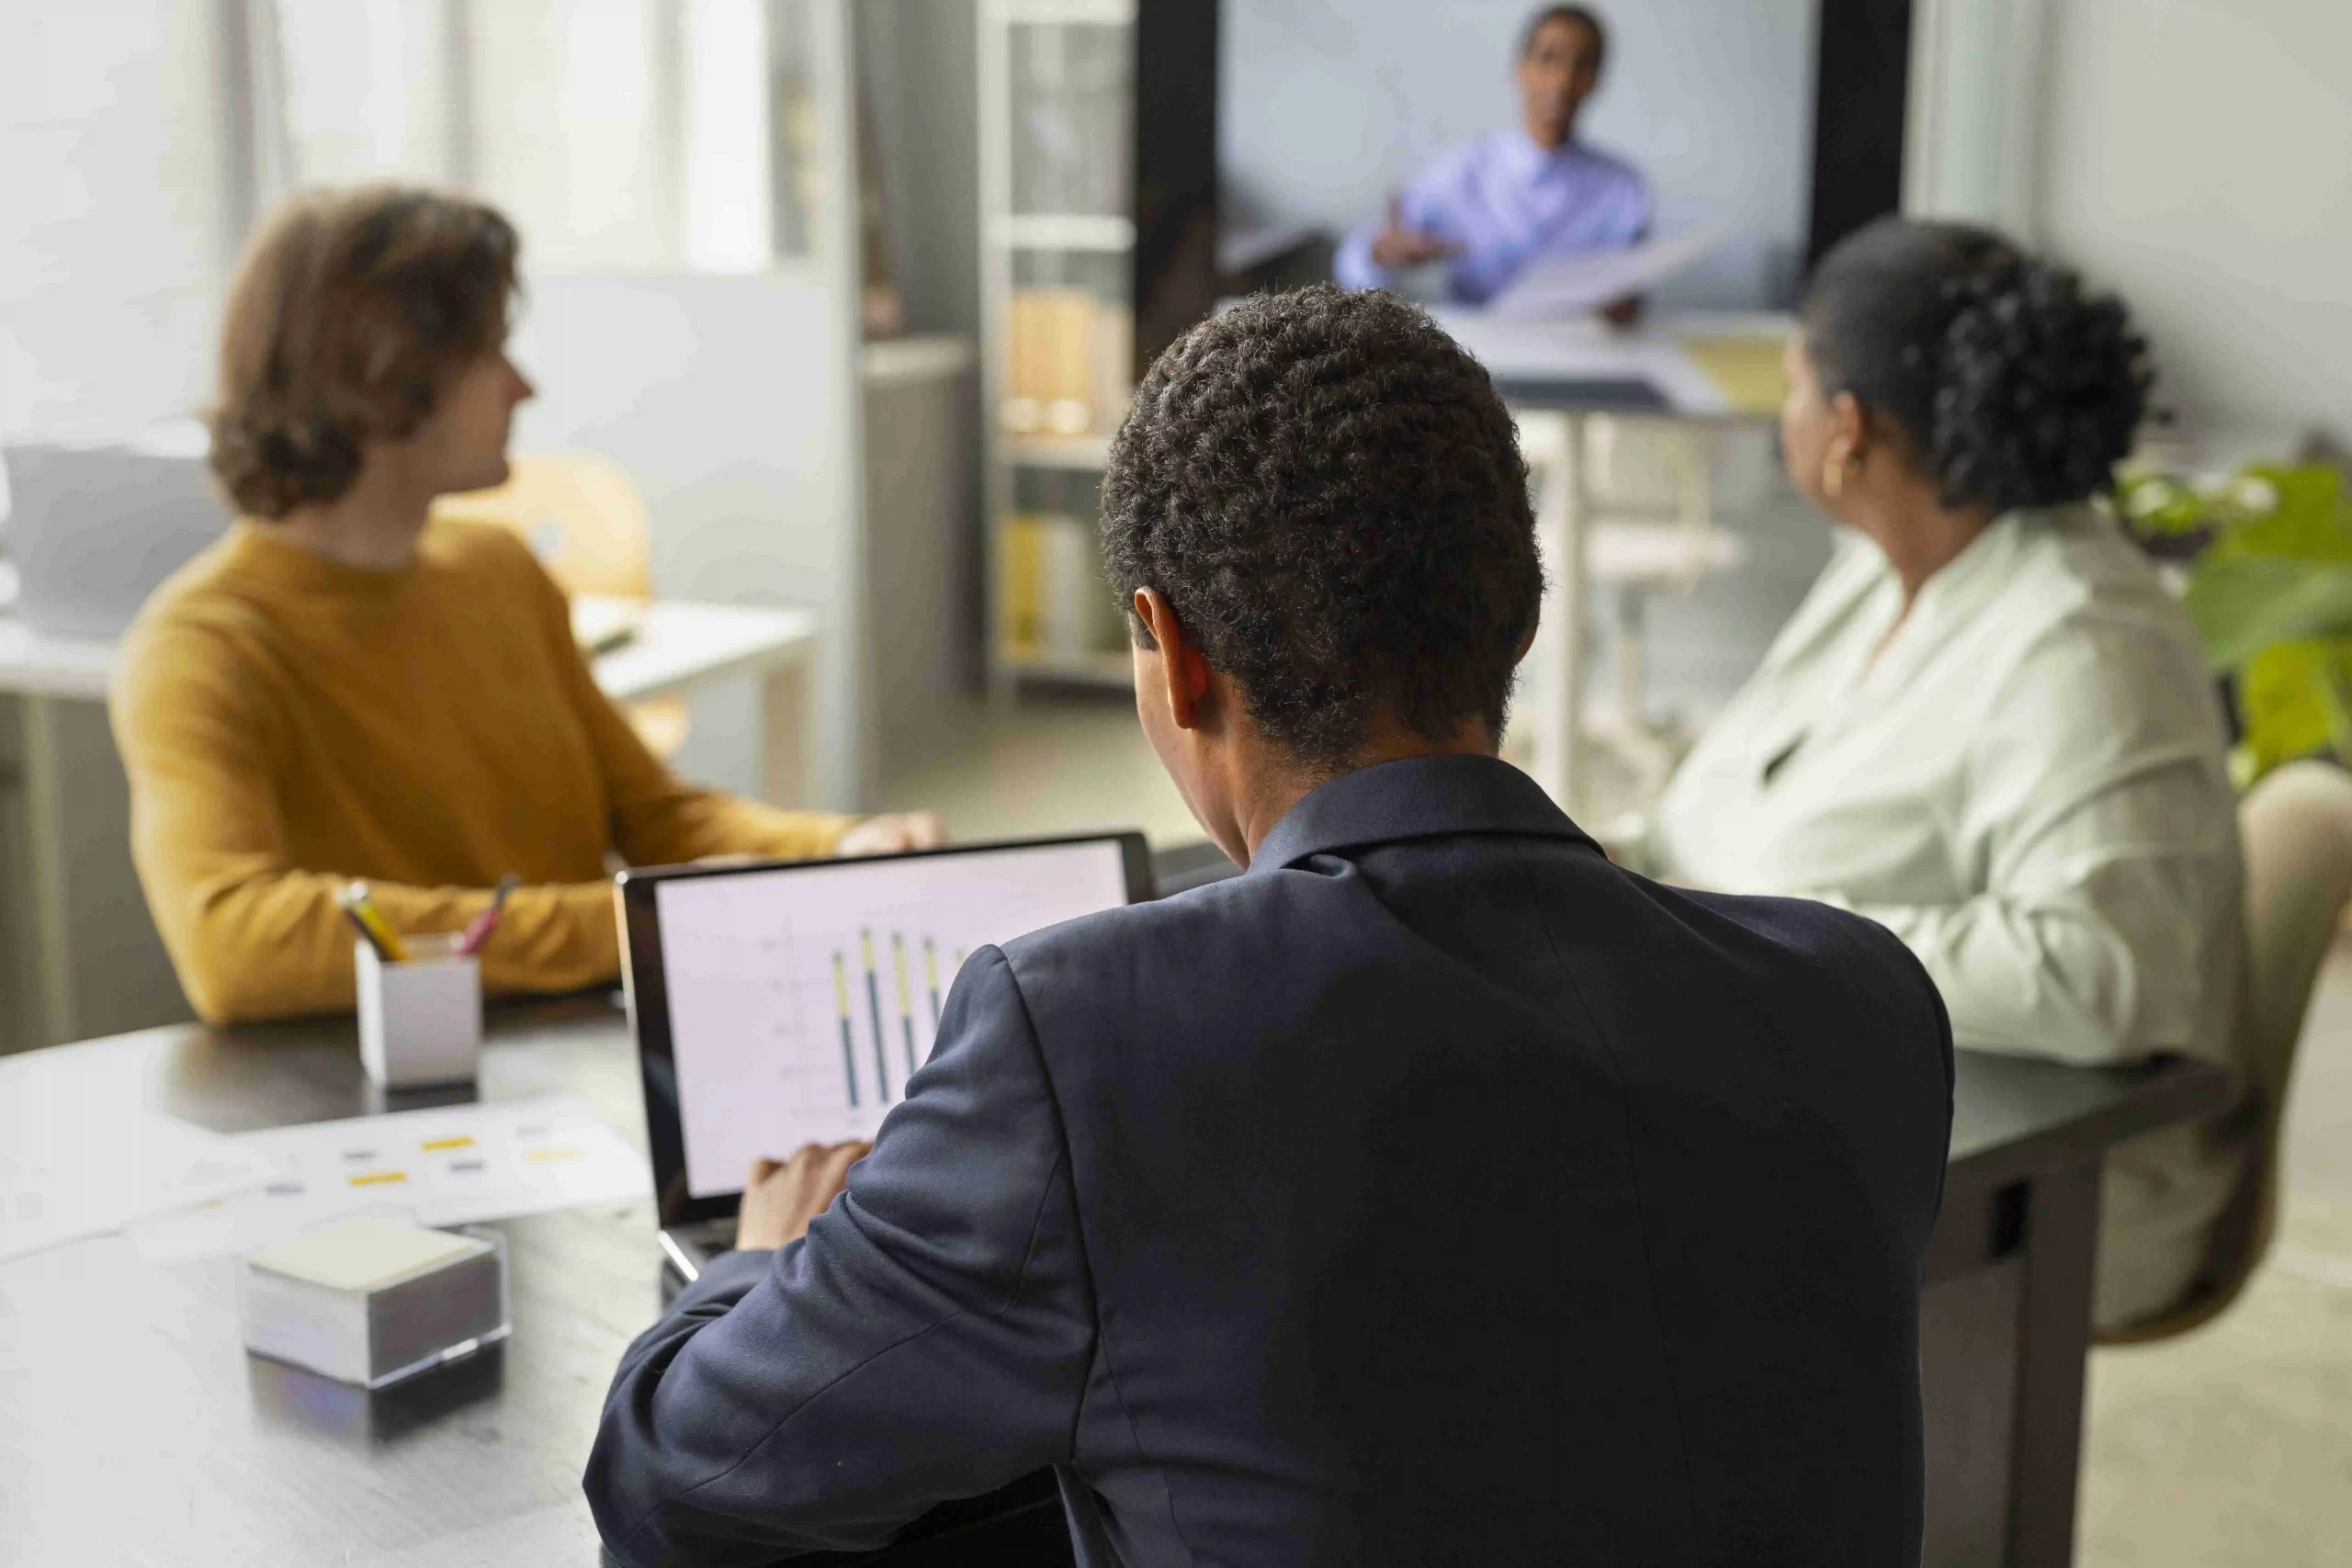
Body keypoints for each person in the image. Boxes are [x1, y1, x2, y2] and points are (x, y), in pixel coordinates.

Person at [583, 286, 1953, 1566]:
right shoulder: (1864, 1000)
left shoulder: (1087, 1035)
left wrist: (764, 1259)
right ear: (1517, 612)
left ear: (1170, 651)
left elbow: (672, 1477)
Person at [111, 186, 939, 1025]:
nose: (523, 387)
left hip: (573, 1050)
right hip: (383, 1097)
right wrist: (628, 925)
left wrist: (837, 852)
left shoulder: (497, 569)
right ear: (389, 370)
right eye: (492, 352)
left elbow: (657, 818)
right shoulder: (201, 649)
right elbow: (233, 944)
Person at [1648, 217, 2246, 1333]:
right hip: (1828, 1082)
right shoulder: (1887, 569)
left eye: (1788, 382)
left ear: (1846, 430)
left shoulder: (2080, 639)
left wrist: (1760, 937)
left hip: (2050, 1172)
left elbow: (2103, 973)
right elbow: (1721, 802)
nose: (1777, 411)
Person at [1332, 5, 1650, 311]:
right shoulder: (1463, 169)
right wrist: (1381, 254)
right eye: (1548, 58)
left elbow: (1630, 305)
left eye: (1583, 64)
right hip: (1474, 355)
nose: (1563, 80)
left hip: (1581, 357)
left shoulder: (1621, 189)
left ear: (1596, 80)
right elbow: (1353, 263)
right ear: (1520, 68)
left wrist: (1623, 305)